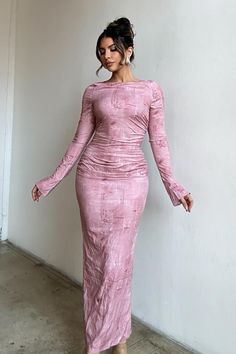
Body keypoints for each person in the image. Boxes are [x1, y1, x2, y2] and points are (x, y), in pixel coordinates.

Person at [31, 17, 193, 354]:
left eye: (112, 50)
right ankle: (99, 342)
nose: (106, 56)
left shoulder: (150, 91)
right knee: (96, 264)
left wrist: (175, 187)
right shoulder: (94, 92)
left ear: (128, 51)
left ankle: (117, 342)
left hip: (131, 183)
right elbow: (78, 142)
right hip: (92, 180)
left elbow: (159, 143)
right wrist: (51, 180)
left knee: (119, 265)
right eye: (101, 51)